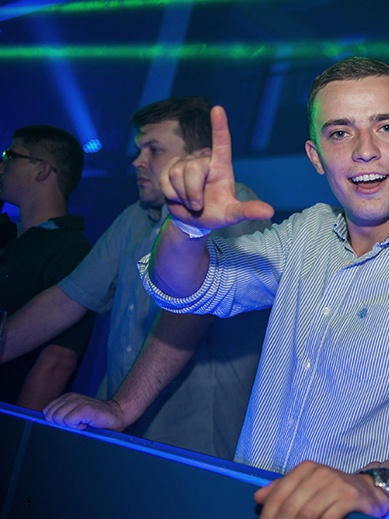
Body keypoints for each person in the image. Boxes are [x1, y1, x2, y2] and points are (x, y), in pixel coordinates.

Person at [138, 57, 389, 519]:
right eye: (340, 133)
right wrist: (187, 228)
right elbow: (185, 288)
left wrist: (374, 487)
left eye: (386, 127)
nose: (365, 150)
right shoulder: (306, 233)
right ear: (316, 156)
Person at [1, 98, 269, 459]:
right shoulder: (134, 217)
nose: (137, 161)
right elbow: (67, 299)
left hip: (191, 444)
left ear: (201, 158)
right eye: (139, 149)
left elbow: (190, 313)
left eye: (154, 150)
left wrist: (120, 406)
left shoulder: (229, 207)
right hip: (122, 431)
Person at [0, 125, 94, 409]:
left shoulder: (71, 250)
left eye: (9, 156)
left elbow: (58, 360)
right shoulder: (12, 238)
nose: (2, 166)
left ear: (42, 170)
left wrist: (19, 430)